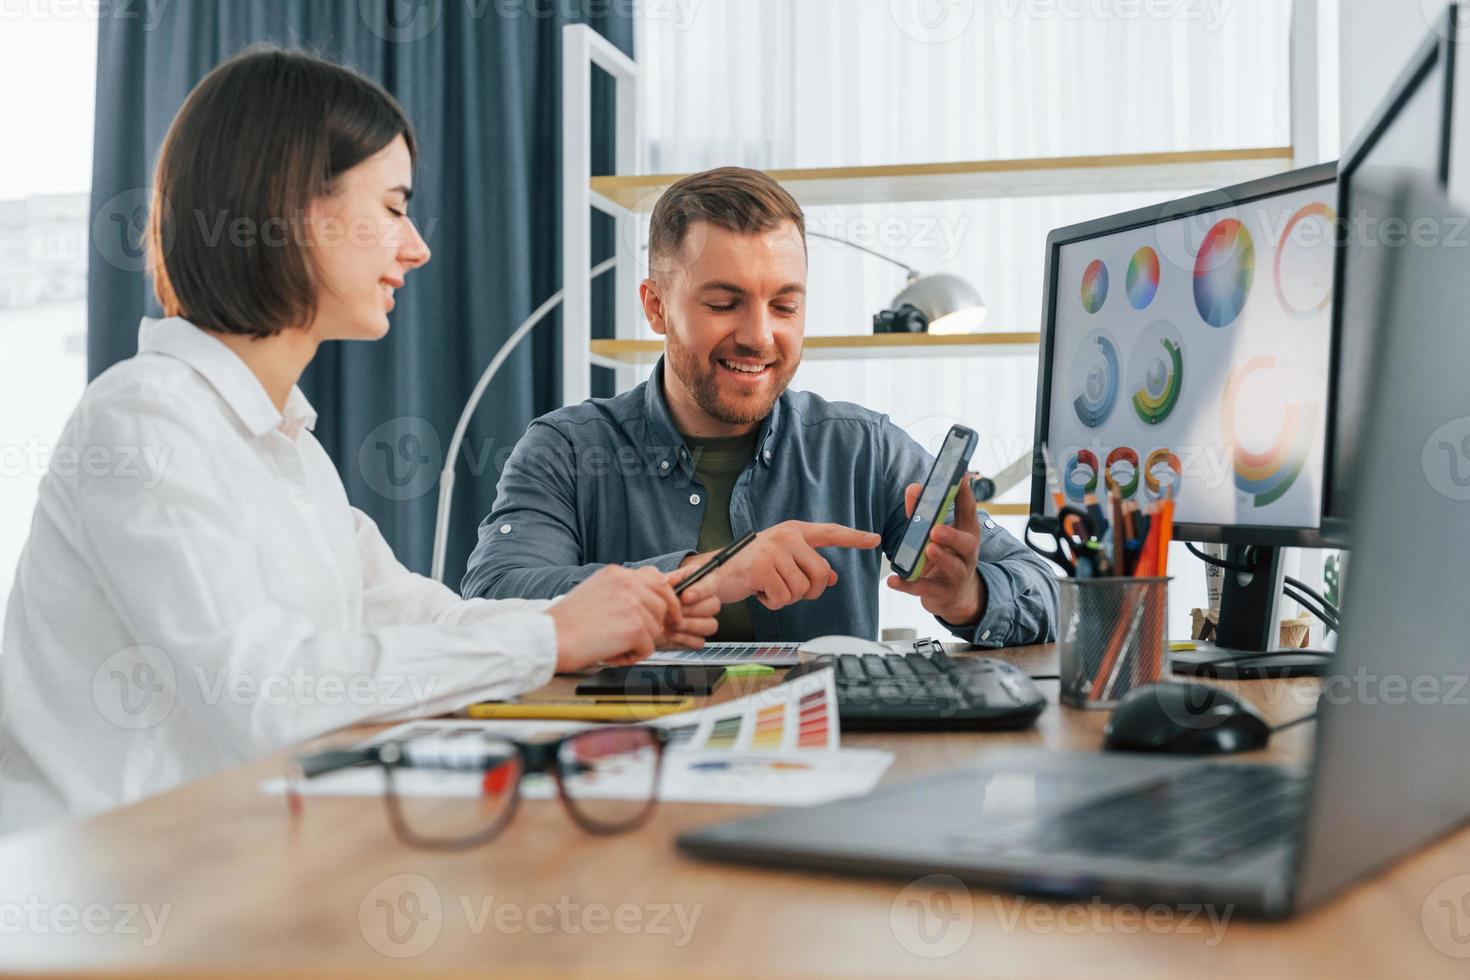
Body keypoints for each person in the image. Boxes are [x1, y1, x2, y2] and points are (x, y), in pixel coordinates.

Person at [0, 48, 717, 832]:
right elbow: (268, 693)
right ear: (288, 208)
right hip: (118, 902)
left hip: (232, 859)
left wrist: (592, 617)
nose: (417, 247)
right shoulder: (142, 419)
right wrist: (549, 635)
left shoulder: (289, 447)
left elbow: (410, 614)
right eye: (392, 207)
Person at [463, 167, 1058, 646]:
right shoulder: (567, 450)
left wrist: (968, 596)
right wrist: (708, 573)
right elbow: (493, 602)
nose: (759, 337)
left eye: (784, 306)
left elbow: (1046, 590)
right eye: (724, 303)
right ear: (656, 307)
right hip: (626, 767)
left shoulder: (861, 448)